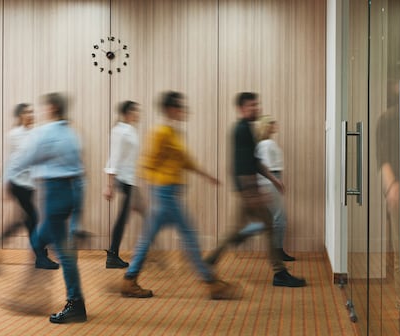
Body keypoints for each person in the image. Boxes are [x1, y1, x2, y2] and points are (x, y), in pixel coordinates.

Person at [121, 91, 237, 300]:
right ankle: (211, 283)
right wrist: (148, 192)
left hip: (167, 194)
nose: (183, 111)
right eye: (179, 107)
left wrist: (206, 175)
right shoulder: (160, 133)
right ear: (169, 109)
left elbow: (185, 161)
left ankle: (129, 280)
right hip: (164, 195)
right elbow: (146, 164)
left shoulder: (174, 133)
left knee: (147, 239)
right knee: (190, 237)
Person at [204, 92, 306, 288]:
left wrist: (273, 180)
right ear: (242, 108)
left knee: (239, 229)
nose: (256, 108)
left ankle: (213, 258)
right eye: (252, 105)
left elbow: (255, 162)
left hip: (247, 189)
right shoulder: (241, 130)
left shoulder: (247, 130)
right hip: (247, 190)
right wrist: (252, 193)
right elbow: (241, 165)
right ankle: (279, 273)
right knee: (268, 224)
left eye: (257, 105)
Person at [6, 93, 87, 323]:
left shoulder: (47, 132)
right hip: (73, 190)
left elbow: (24, 158)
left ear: (52, 108)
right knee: (39, 242)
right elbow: (80, 171)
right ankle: (29, 295)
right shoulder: (71, 133)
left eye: (43, 108)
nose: (40, 112)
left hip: (55, 194)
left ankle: (75, 302)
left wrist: (7, 179)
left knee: (63, 251)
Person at [1, 103, 59, 269]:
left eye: (32, 111)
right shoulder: (13, 135)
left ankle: (14, 233)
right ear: (20, 116)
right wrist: (6, 183)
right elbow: (11, 160)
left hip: (32, 183)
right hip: (18, 182)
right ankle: (40, 256)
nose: (31, 114)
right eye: (27, 112)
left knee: (30, 219)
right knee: (33, 219)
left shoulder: (36, 133)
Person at [104, 100, 146, 268]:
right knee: (124, 218)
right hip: (124, 180)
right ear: (128, 113)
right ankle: (113, 255)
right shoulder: (120, 131)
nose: (138, 114)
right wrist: (109, 185)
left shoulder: (130, 130)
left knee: (128, 217)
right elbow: (113, 158)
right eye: (135, 111)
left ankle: (115, 254)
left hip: (130, 180)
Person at [254, 115, 295, 261]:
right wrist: (276, 181)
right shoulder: (266, 144)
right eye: (272, 123)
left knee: (272, 219)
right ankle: (278, 251)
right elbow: (266, 167)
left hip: (271, 180)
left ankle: (242, 232)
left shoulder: (265, 143)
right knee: (280, 218)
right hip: (270, 180)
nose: (275, 125)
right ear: (266, 126)